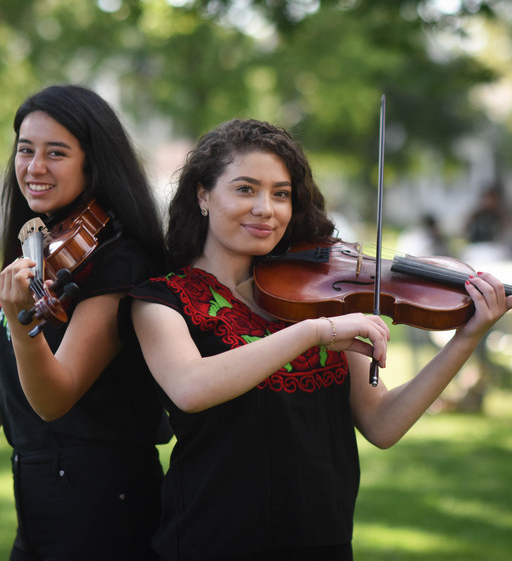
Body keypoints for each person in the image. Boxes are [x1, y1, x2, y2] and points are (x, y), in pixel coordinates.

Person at [127, 118, 512, 561]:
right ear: (203, 195)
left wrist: (465, 338)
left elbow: (383, 424)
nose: (266, 209)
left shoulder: (316, 294)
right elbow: (191, 388)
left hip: (322, 542)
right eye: (246, 189)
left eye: (281, 193)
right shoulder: (161, 300)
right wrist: (314, 333)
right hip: (211, 541)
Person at [0, 85, 167, 560]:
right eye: (25, 150)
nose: (34, 167)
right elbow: (0, 362)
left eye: (57, 153)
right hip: (37, 485)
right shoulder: (43, 244)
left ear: (94, 162)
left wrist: (19, 316)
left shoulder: (118, 260)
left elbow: (55, 398)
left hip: (103, 497)